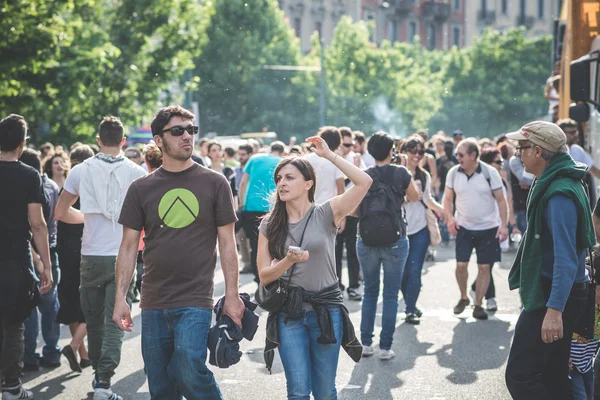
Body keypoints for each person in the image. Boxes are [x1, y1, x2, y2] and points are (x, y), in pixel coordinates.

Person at [112, 105, 245, 400]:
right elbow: (129, 246)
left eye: (191, 130)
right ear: (159, 140)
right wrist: (121, 297)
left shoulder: (215, 182)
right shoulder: (140, 188)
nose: (187, 136)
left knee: (188, 367)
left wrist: (233, 295)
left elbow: (227, 243)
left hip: (195, 298)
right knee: (160, 387)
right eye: (177, 131)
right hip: (153, 300)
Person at [258, 136, 371, 398]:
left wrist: (329, 156)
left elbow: (365, 182)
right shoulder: (269, 224)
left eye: (290, 177)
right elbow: (264, 276)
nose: (282, 183)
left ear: (308, 184)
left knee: (324, 391)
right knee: (297, 391)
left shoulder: (327, 212)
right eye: (279, 178)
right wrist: (288, 261)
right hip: (290, 313)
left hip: (326, 311)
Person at [55, 116, 146, 399]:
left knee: (93, 319)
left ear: (97, 140)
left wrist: (88, 218)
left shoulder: (80, 170)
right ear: (123, 141)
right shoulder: (137, 172)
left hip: (91, 253)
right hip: (123, 253)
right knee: (116, 318)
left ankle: (98, 375)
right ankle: (104, 382)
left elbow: (60, 212)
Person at [505, 121, 594, 399]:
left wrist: (554, 311)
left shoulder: (559, 193)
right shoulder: (556, 182)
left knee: (521, 376)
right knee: (554, 376)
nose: (518, 154)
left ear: (539, 152)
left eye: (522, 148)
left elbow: (566, 259)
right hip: (557, 290)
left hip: (554, 295)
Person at [0, 114, 53, 400]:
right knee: (14, 322)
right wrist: (45, 263)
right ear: (22, 144)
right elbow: (38, 223)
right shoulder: (29, 175)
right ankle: (10, 386)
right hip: (15, 259)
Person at [357, 131, 420, 358]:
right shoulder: (401, 172)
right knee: (391, 295)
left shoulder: (363, 175)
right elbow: (414, 197)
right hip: (395, 239)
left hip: (366, 240)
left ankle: (365, 344)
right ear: (392, 151)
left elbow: (354, 209)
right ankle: (385, 347)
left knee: (370, 292)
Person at [442, 138, 508, 320]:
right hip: (464, 227)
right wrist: (449, 219)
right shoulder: (454, 173)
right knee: (461, 265)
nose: (457, 158)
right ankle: (464, 297)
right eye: (457, 154)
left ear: (473, 156)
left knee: (484, 267)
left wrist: (504, 226)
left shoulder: (490, 173)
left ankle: (478, 304)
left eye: (461, 155)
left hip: (488, 228)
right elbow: (447, 199)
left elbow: (501, 200)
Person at [18, 149, 62, 371]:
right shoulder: (53, 187)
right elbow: (52, 222)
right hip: (51, 249)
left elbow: (33, 225)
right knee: (49, 304)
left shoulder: (26, 187)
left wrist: (38, 259)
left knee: (30, 306)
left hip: (30, 250)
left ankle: (30, 355)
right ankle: (52, 351)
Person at [56, 145, 95, 373]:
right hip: (85, 248)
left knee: (72, 301)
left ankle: (83, 354)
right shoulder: (89, 188)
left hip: (65, 251)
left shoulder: (66, 189)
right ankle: (74, 346)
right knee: (94, 303)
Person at [400, 136, 444, 325]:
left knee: (415, 269)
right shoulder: (396, 173)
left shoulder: (423, 175)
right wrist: (408, 194)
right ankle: (410, 303)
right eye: (413, 151)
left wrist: (445, 211)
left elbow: (427, 199)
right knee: (402, 273)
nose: (417, 155)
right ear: (404, 152)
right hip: (399, 230)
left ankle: (410, 309)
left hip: (420, 229)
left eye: (421, 152)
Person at [238, 141, 285, 283]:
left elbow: (243, 182)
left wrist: (242, 204)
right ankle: (272, 274)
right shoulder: (282, 162)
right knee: (274, 243)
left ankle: (258, 276)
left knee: (255, 243)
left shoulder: (254, 159)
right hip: (272, 207)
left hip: (251, 207)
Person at [335, 127, 364, 299]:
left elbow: (363, 183)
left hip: (352, 213)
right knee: (335, 251)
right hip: (336, 212)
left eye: (351, 144)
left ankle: (354, 286)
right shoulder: (332, 159)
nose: (349, 148)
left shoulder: (356, 159)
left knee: (353, 251)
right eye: (345, 144)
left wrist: (358, 167)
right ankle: (337, 286)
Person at [234, 144, 253, 274]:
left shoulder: (253, 169)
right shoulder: (236, 171)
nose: (241, 157)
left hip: (251, 208)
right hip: (240, 208)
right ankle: (247, 263)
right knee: (241, 236)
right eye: (239, 154)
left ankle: (254, 262)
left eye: (243, 154)